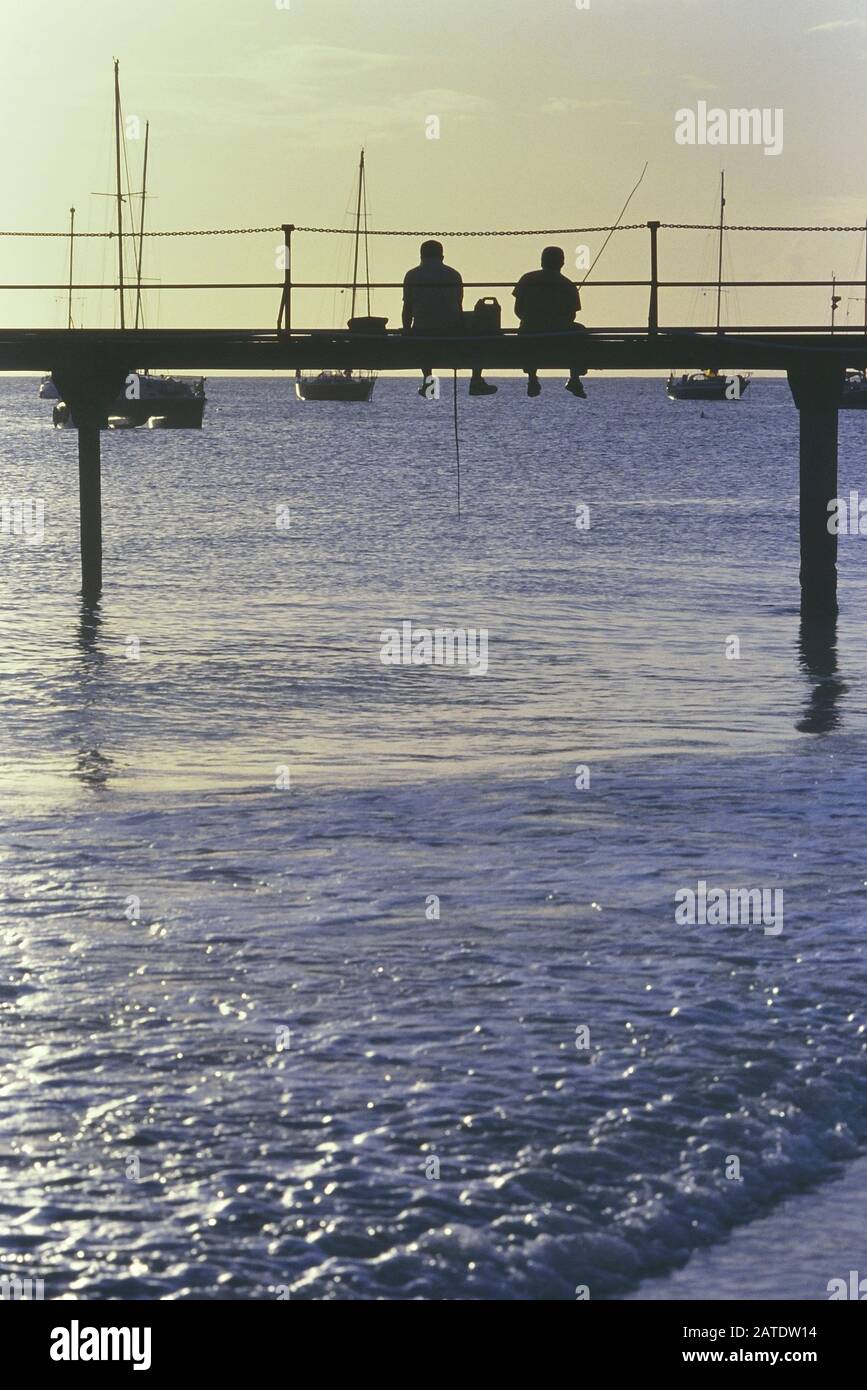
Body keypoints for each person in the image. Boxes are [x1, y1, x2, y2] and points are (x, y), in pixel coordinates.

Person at [403, 240, 497, 397]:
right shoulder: (453, 274)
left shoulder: (412, 275)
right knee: (481, 332)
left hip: (422, 330)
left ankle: (429, 383)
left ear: (421, 256)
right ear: (442, 256)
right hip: (451, 330)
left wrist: (406, 331)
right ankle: (475, 380)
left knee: (423, 345)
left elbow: (407, 308)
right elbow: (458, 305)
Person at [512, 246, 588, 398]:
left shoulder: (527, 278)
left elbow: (518, 310)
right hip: (558, 335)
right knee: (581, 331)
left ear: (542, 261)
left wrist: (532, 320)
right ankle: (574, 378)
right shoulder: (567, 284)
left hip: (529, 331)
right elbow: (571, 316)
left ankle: (532, 378)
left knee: (529, 337)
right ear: (562, 263)